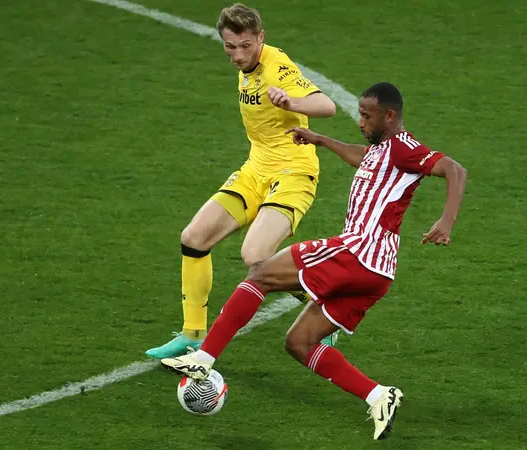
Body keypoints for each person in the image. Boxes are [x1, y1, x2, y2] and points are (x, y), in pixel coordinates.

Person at [161, 82, 467, 440]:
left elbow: (454, 169)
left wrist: (446, 220)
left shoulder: (404, 147)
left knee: (260, 274)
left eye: (366, 116)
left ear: (389, 116)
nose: (360, 122)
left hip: (358, 251)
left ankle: (203, 359)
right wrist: (321, 140)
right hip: (378, 273)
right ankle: (378, 396)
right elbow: (363, 156)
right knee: (300, 343)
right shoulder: (383, 150)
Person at [146, 3, 337, 359]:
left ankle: (323, 305)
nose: (237, 55)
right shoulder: (247, 66)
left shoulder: (277, 66)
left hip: (293, 172)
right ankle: (192, 334)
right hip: (255, 170)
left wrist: (291, 101)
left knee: (256, 256)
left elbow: (327, 106)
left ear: (260, 38)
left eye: (246, 46)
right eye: (230, 46)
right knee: (194, 237)